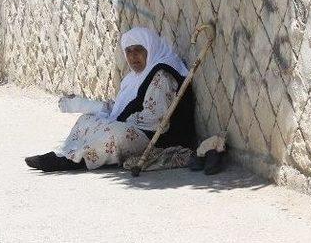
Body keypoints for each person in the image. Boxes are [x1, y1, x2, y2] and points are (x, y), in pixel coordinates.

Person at [25, 27, 196, 172]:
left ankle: (72, 162)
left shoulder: (162, 74)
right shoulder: (133, 78)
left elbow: (155, 119)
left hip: (156, 137)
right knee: (86, 120)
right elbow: (124, 108)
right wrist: (104, 112)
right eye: (128, 51)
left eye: (138, 50)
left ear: (149, 49)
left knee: (116, 132)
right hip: (135, 126)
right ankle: (66, 153)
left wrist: (118, 121)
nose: (133, 56)